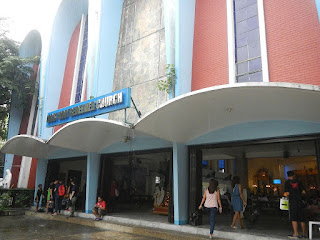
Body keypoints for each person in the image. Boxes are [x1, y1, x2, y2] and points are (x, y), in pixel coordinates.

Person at [285, 171, 307, 238]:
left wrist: (288, 196)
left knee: (294, 218)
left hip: (293, 202)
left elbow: (287, 193)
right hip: (300, 202)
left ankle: (295, 233)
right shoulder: (299, 182)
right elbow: (304, 192)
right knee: (302, 218)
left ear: (288, 176)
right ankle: (304, 234)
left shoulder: (287, 183)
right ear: (294, 175)